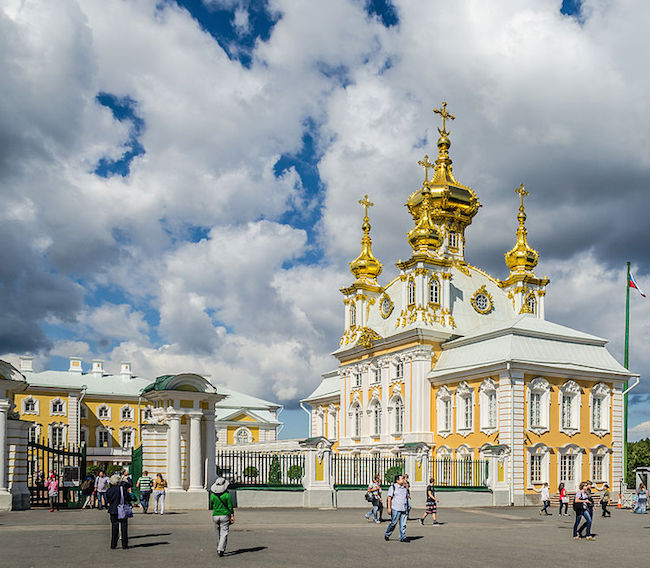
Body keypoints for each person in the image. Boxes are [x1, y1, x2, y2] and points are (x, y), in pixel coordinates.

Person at [210, 477, 235, 558]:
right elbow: (230, 507)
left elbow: (211, 504)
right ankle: (220, 549)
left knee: (217, 532)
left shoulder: (213, 495)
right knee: (224, 533)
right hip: (225, 515)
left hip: (215, 515)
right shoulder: (227, 495)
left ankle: (218, 546)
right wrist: (232, 515)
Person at [105, 473, 131, 550]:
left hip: (113, 510)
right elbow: (127, 496)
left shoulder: (109, 490)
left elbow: (108, 500)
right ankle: (124, 544)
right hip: (122, 509)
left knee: (114, 527)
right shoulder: (123, 489)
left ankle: (113, 544)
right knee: (124, 527)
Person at [384, 474, 409, 543]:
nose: (403, 480)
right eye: (402, 479)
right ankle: (387, 534)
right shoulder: (393, 487)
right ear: (397, 480)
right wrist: (389, 508)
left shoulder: (404, 488)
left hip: (403, 509)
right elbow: (389, 498)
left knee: (403, 524)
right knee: (393, 523)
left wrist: (407, 507)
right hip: (395, 508)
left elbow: (406, 498)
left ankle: (402, 537)